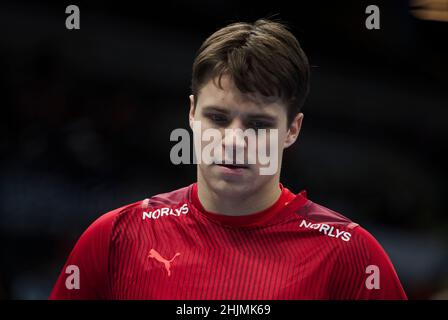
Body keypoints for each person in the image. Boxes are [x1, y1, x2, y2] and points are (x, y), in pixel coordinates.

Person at [49, 19, 407, 299]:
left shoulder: (352, 258)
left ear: (292, 130)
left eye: (258, 123)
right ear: (191, 114)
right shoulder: (115, 238)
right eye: (218, 118)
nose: (234, 140)